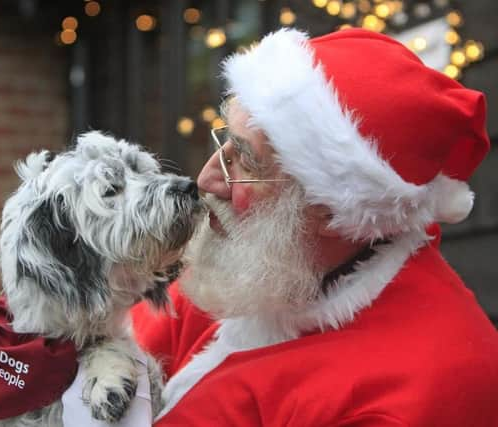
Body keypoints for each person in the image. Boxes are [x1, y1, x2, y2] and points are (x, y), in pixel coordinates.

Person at [129, 28, 498, 426]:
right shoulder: (253, 266)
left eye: (248, 163)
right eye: (226, 145)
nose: (206, 180)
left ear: (329, 209)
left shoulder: (413, 395)